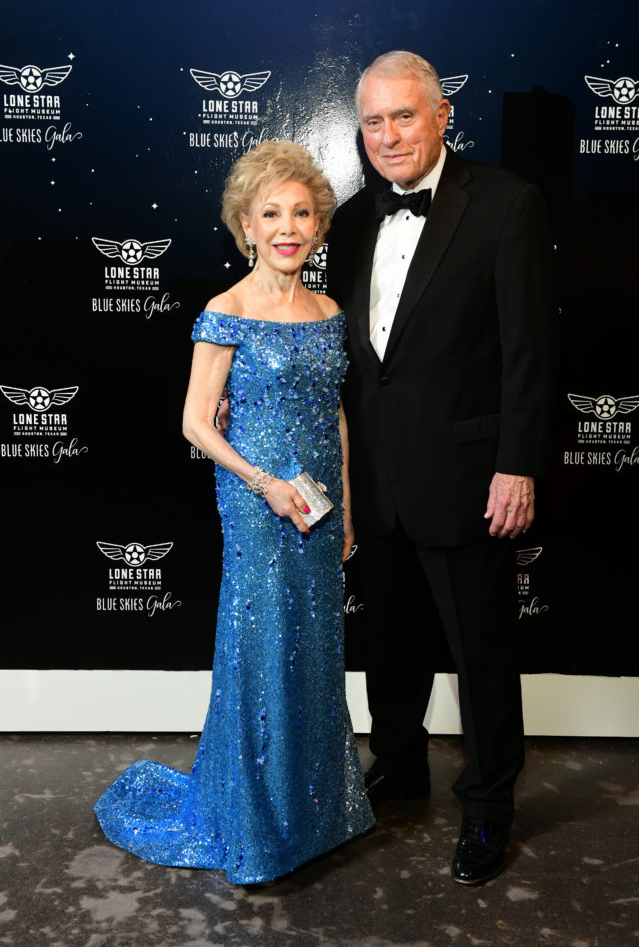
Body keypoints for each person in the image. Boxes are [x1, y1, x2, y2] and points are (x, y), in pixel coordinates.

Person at [94, 141, 374, 885]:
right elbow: (194, 421)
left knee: (313, 652)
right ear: (245, 225)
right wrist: (264, 483)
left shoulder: (328, 311)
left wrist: (342, 503)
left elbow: (335, 414)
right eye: (271, 213)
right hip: (257, 507)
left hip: (318, 512)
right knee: (259, 649)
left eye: (302, 213)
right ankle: (252, 816)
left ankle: (314, 811)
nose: (288, 226)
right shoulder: (226, 310)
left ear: (318, 226)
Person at [325, 51, 557, 885]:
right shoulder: (350, 221)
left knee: (482, 652)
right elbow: (349, 358)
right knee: (390, 645)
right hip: (378, 482)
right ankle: (399, 767)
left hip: (467, 479)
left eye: (403, 116)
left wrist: (516, 467)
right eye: (373, 121)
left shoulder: (505, 203)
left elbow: (529, 352)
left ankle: (489, 808)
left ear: (441, 115)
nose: (387, 136)